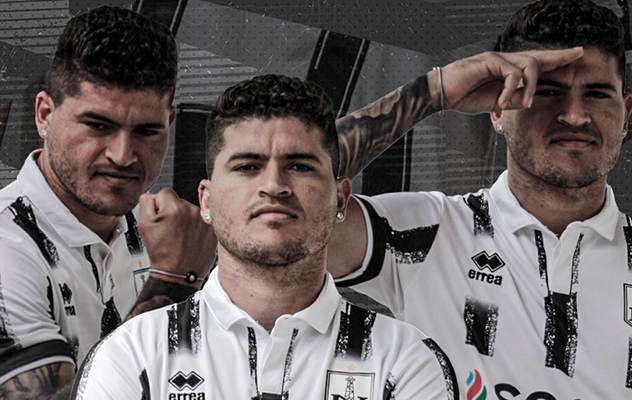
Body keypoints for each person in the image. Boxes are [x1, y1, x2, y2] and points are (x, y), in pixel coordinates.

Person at [69, 74, 459, 400]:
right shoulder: (131, 357)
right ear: (206, 200)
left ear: (341, 199)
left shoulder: (404, 362)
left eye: (300, 166)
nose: (273, 185)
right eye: (247, 166)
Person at [327, 0, 632, 398]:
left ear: (626, 113)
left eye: (596, 94)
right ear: (498, 111)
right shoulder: (429, 232)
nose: (575, 116)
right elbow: (280, 197)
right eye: (547, 92)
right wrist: (435, 91)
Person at [0, 7, 214, 399]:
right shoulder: (7, 244)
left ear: (169, 124)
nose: (123, 155)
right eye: (99, 126)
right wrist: (172, 282)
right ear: (44, 115)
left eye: (146, 131)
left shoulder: (164, 232)